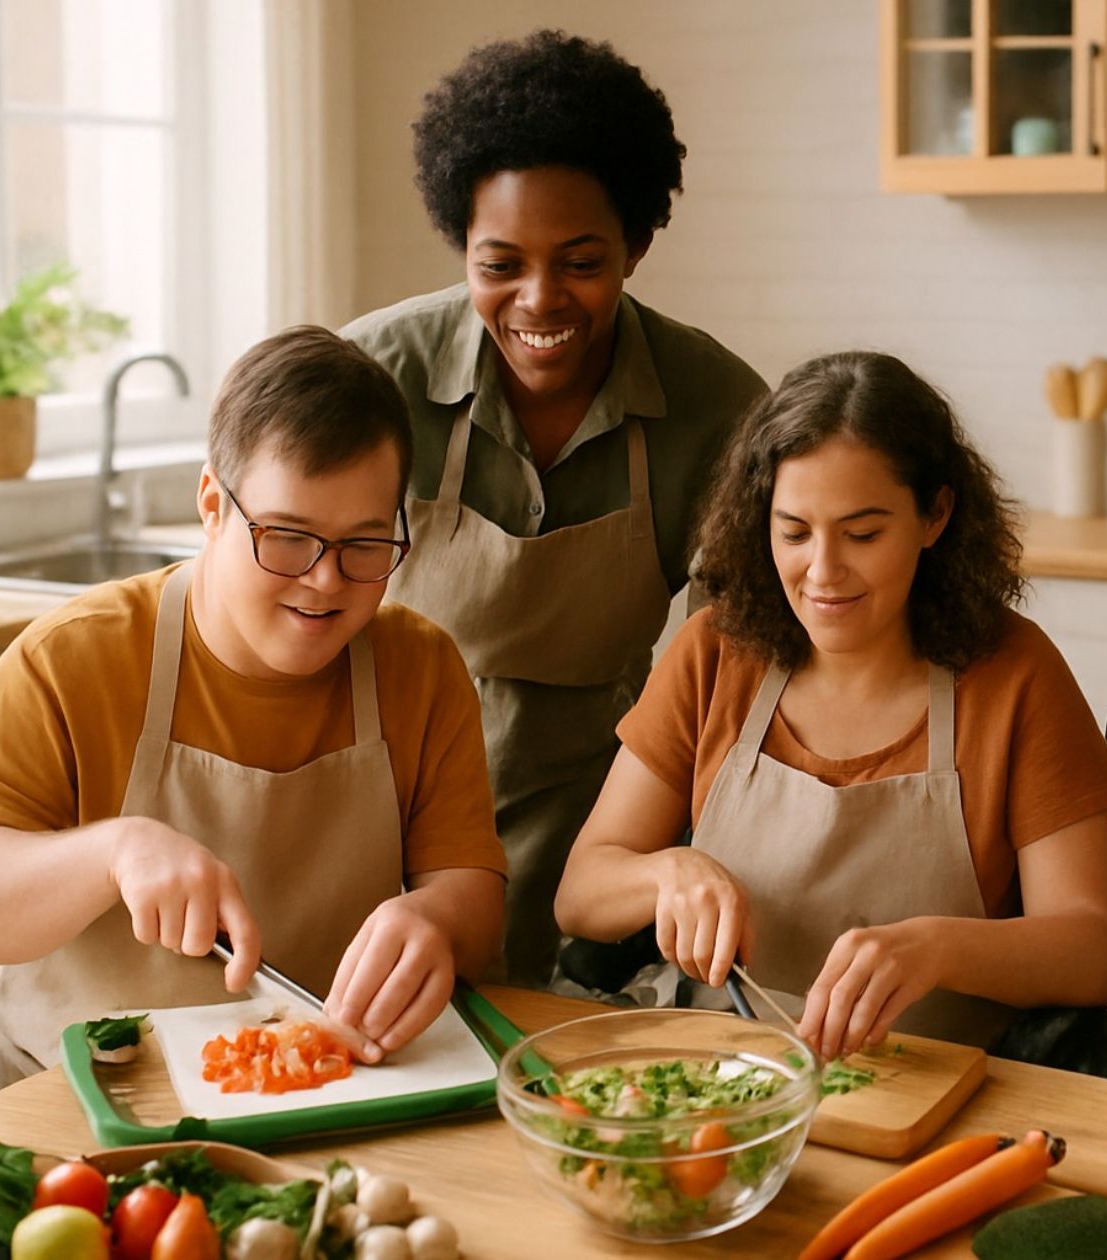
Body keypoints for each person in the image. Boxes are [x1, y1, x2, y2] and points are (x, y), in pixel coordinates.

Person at [0, 327, 507, 1092]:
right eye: (288, 538)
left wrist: (438, 923)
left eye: (364, 545)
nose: (324, 581)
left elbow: (475, 898)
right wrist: (112, 853)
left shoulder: (419, 667)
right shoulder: (72, 658)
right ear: (213, 505)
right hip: (82, 1104)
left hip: (334, 1091)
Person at [343, 31, 768, 987]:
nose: (540, 299)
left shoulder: (718, 408)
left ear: (637, 245)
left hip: (589, 834)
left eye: (580, 261)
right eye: (500, 264)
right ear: (461, 243)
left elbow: (731, 674)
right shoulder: (371, 377)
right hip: (375, 812)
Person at [554, 352, 1107, 1057]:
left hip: (940, 1096)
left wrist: (937, 948)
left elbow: (1092, 951)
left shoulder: (1016, 674)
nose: (822, 572)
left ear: (935, 515)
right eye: (794, 532)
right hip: (721, 1085)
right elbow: (580, 891)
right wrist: (667, 873)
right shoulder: (715, 651)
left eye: (862, 534)